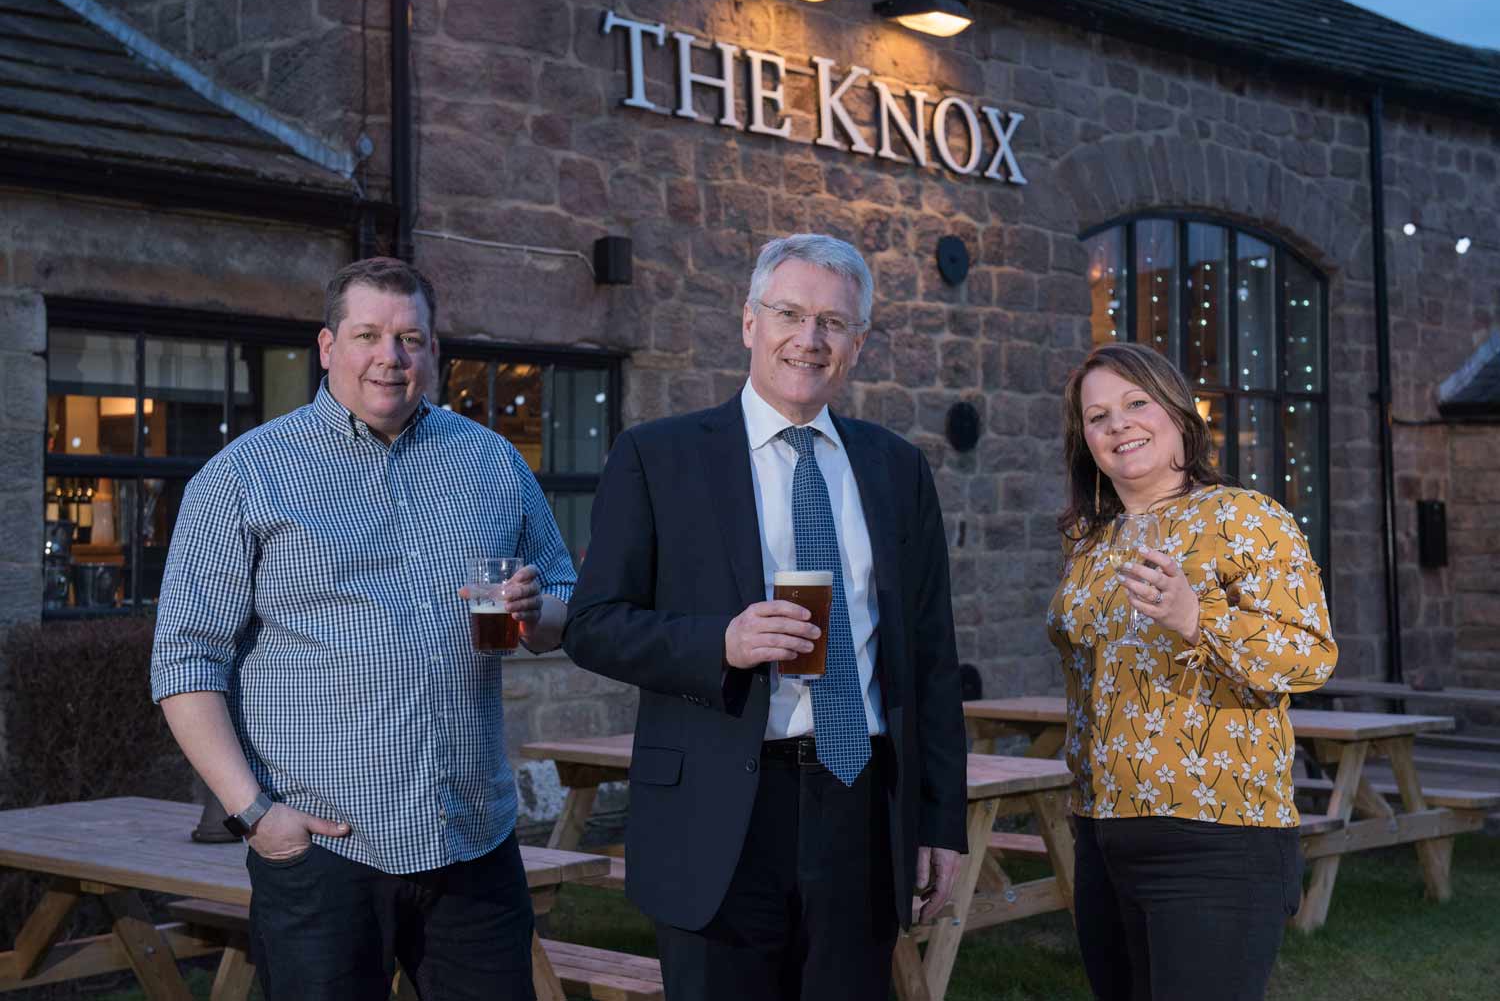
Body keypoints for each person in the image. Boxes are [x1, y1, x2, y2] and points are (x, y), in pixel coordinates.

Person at [150, 257, 576, 1001]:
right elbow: (186, 660)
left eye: (410, 337)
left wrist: (537, 612)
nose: (391, 356)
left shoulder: (491, 461)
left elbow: (566, 601)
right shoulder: (245, 475)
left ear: (434, 351)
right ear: (326, 346)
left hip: (471, 842)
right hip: (323, 853)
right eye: (369, 334)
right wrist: (256, 814)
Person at [563, 234, 968, 999]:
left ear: (859, 342)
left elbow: (932, 658)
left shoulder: (895, 467)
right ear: (749, 321)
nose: (808, 339)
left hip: (859, 806)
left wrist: (941, 823)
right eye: (788, 313)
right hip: (719, 815)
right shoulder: (658, 456)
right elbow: (593, 623)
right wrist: (721, 640)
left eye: (833, 322)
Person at [1049, 342, 1337, 1001]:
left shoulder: (1246, 516)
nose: (1117, 424)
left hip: (1216, 840)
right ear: (1085, 440)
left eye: (1135, 403)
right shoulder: (1091, 542)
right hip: (1101, 835)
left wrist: (1199, 616)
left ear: (1179, 413)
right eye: (1097, 416)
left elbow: (1310, 654)